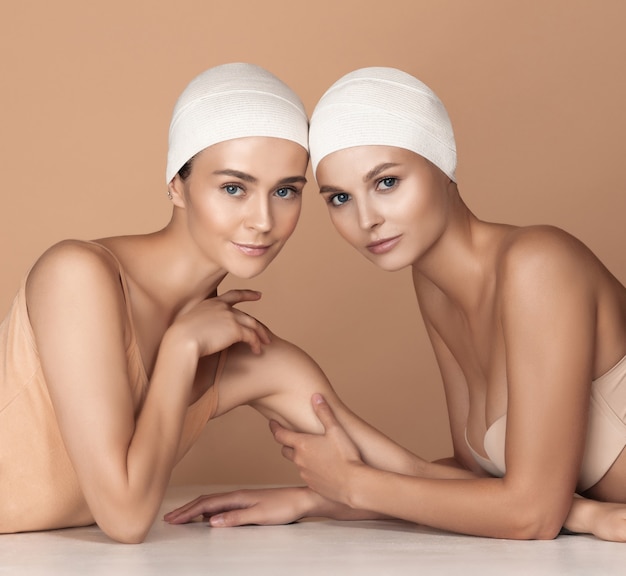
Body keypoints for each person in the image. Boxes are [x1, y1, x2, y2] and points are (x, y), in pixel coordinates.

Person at [165, 67, 626, 541]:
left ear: (442, 163)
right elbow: (484, 486)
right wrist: (320, 499)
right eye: (340, 198)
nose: (367, 219)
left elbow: (531, 512)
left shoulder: (538, 264)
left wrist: (356, 486)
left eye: (386, 183)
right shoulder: (434, 287)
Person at [0, 62, 331, 543]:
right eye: (234, 188)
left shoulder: (252, 358)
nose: (263, 219)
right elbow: (126, 518)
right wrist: (180, 347)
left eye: (284, 191)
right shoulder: (78, 276)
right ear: (177, 184)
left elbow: (390, 477)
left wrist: (314, 500)